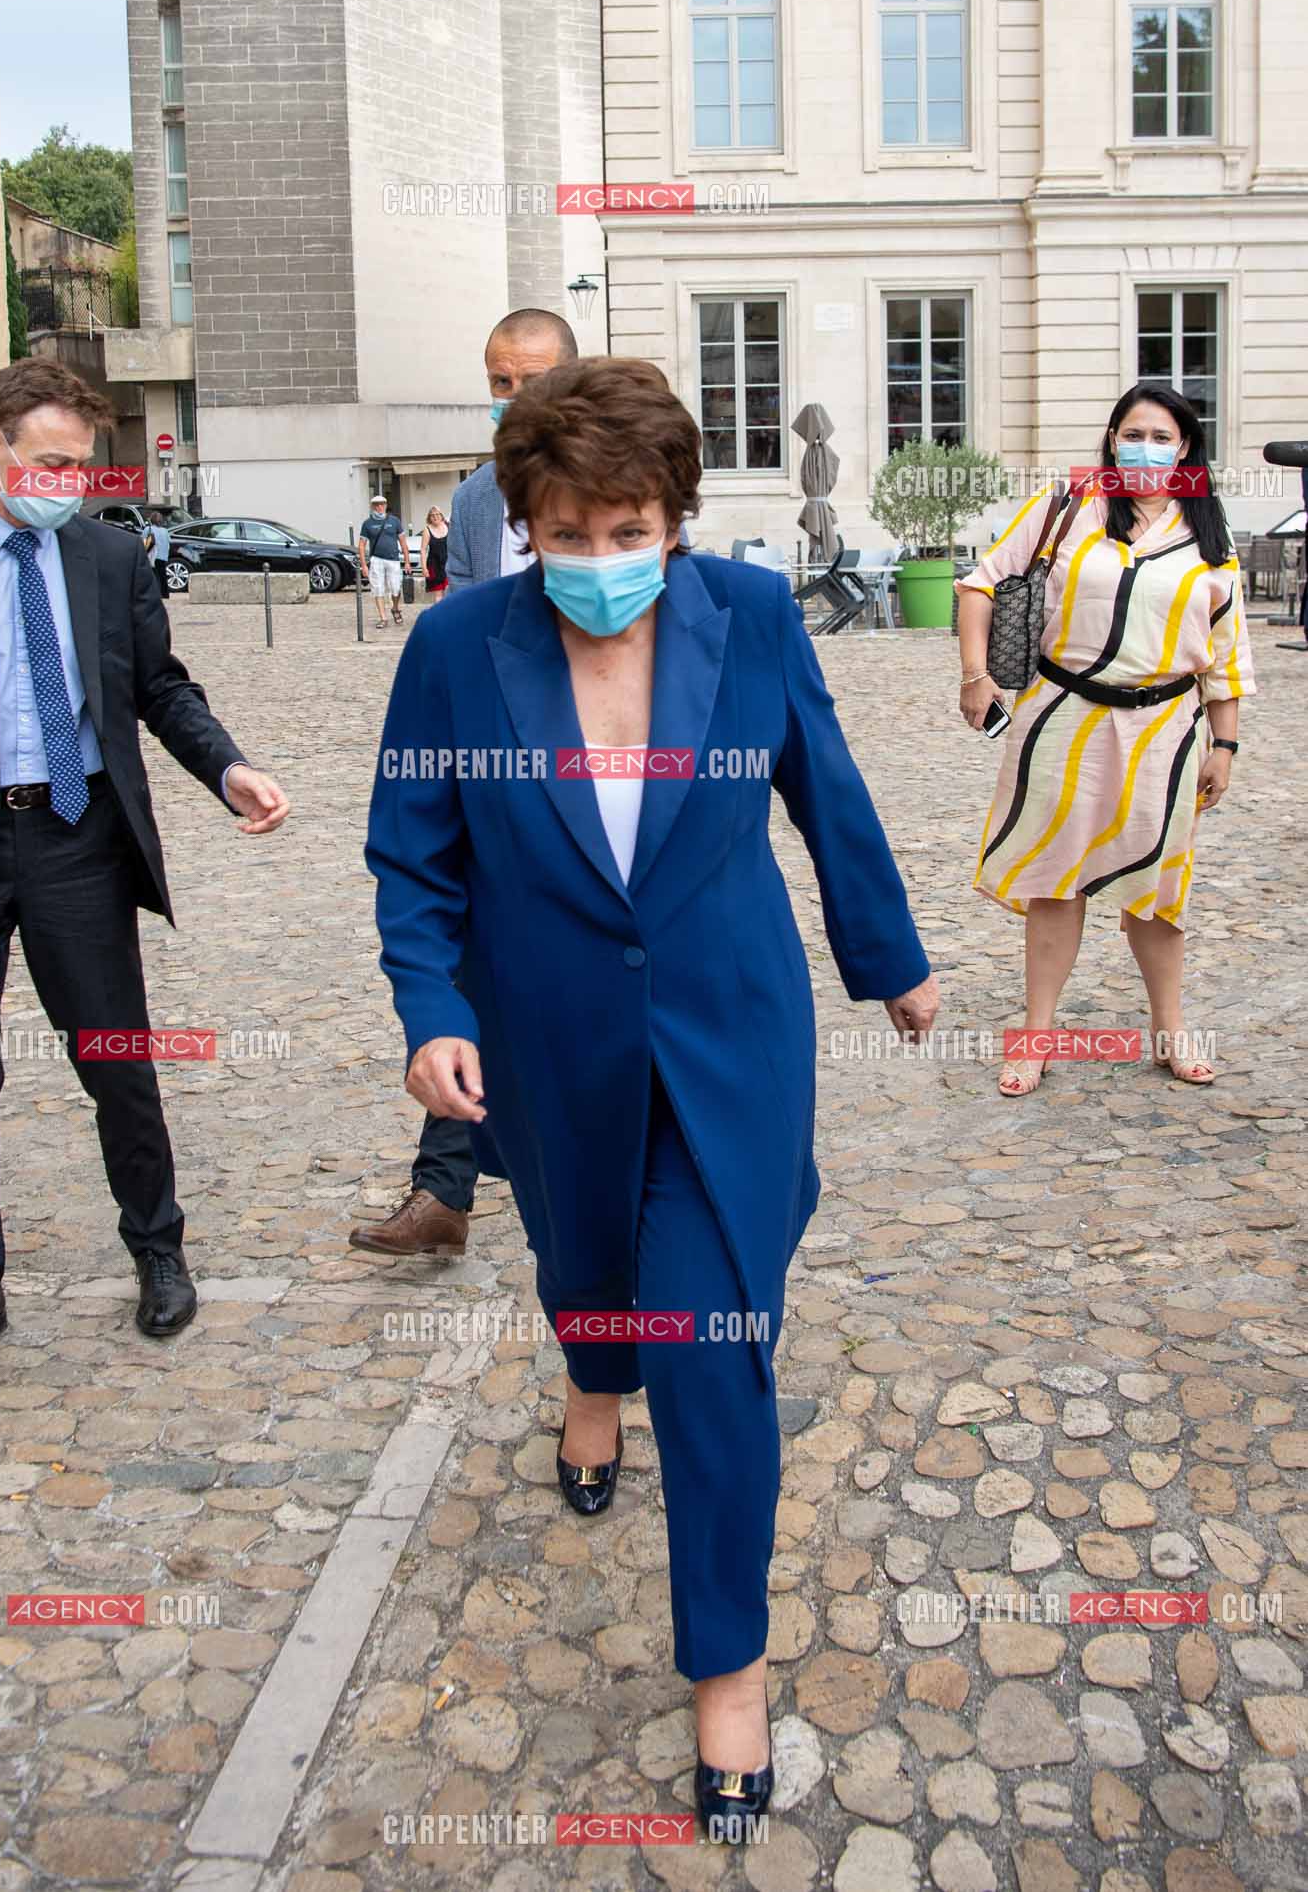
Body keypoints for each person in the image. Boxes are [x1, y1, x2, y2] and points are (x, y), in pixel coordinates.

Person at [365, 356, 936, 1838]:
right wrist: (432, 1012)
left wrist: (891, 960)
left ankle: (728, 1668)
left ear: (675, 518)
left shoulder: (747, 617)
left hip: (731, 1037)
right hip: (548, 1041)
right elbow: (413, 853)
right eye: (572, 535)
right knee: (589, 1268)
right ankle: (586, 1373)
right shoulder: (452, 648)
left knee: (713, 1335)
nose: (603, 562)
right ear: (526, 523)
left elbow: (827, 784)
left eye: (632, 531)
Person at [0, 357, 291, 1394]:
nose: (69, 483)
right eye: (51, 462)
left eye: (83, 468)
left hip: (77, 844)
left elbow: (159, 689)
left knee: (115, 1060)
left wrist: (229, 768)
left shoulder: (102, 559)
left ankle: (158, 1247)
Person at [349, 308, 578, 1262]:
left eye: (530, 380)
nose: (512, 399)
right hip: (498, 773)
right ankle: (445, 1186)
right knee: (465, 968)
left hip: (599, 778)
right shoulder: (481, 497)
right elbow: (474, 628)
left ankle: (568, 1178)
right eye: (497, 381)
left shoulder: (636, 479)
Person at [955, 383, 1253, 1097]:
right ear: (1112, 436)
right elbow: (980, 583)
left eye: (1160, 436)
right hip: (1063, 719)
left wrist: (1225, 743)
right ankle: (1038, 1033)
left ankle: (1170, 1027)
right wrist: (974, 674)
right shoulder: (1068, 503)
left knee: (1158, 888)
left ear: (1184, 447)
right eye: (1133, 432)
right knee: (1056, 881)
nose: (1144, 446)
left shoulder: (1209, 532)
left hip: (1164, 732)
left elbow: (1227, 649)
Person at [445, 309, 579, 588]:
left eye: (535, 381)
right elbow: (466, 611)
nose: (518, 398)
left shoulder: (626, 478)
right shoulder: (471, 498)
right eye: (503, 382)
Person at [358, 492, 410, 629]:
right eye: (377, 505)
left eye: (382, 504)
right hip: (376, 559)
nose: (379, 507)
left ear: (386, 505)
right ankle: (383, 617)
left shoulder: (394, 521)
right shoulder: (367, 524)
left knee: (396, 588)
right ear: (372, 507)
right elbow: (362, 545)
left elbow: (403, 542)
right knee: (378, 588)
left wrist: (407, 561)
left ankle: (395, 608)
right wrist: (364, 565)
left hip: (393, 559)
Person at [421, 507, 450, 602]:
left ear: (441, 516)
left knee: (450, 591)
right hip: (434, 564)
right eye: (432, 515)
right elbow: (423, 549)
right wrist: (424, 568)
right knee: (438, 593)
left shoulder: (448, 526)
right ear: (429, 518)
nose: (435, 517)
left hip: (449, 563)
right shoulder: (427, 530)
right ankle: (440, 615)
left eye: (437, 514)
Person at [148, 514, 172, 600]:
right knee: (163, 575)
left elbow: (144, 541)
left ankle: (156, 593)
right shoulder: (165, 531)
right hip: (163, 555)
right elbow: (169, 542)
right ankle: (165, 594)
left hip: (153, 556)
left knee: (154, 575)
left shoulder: (148, 529)